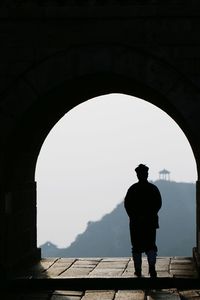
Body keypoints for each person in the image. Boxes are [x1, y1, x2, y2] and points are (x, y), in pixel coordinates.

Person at [124, 164, 162, 278]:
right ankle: (152, 269)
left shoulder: (132, 189)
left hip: (136, 223)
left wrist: (134, 216)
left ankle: (138, 270)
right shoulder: (153, 189)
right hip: (150, 222)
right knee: (150, 245)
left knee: (136, 246)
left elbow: (127, 205)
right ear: (146, 174)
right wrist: (150, 215)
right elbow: (158, 204)